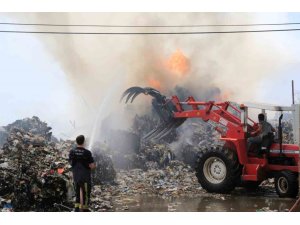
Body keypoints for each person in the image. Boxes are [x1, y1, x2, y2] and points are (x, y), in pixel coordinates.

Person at [69, 135, 96, 212]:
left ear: (76, 142)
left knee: (77, 193)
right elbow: (91, 165)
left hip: (76, 177)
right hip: (85, 177)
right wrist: (93, 166)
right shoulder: (87, 153)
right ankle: (85, 208)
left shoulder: (72, 152)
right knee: (86, 193)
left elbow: (71, 163)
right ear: (84, 142)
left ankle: (76, 208)